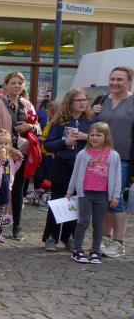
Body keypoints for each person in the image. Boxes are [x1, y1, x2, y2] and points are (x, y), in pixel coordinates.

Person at [0, 71, 40, 240]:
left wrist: (30, 127)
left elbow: (38, 126)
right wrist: (9, 150)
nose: (17, 86)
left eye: (20, 83)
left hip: (23, 154)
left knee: (18, 191)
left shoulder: (27, 104)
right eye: (13, 83)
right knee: (3, 189)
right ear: (6, 85)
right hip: (4, 155)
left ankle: (17, 227)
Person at [41, 89, 94, 252]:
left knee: (76, 201)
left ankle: (68, 237)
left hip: (83, 166)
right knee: (58, 199)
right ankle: (51, 237)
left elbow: (102, 141)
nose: (82, 103)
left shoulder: (91, 121)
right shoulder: (60, 121)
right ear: (70, 102)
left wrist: (87, 137)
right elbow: (48, 145)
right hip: (62, 164)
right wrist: (64, 142)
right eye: (78, 100)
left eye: (84, 100)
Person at [92, 66, 134, 258]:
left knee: (116, 198)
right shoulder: (101, 100)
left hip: (123, 158)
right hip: (99, 157)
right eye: (113, 79)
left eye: (120, 79)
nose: (115, 83)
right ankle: (105, 238)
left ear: (129, 81)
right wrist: (92, 112)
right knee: (103, 199)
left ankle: (119, 242)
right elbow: (92, 126)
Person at [66, 122, 122, 264]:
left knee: (99, 223)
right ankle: (77, 250)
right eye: (92, 135)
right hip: (85, 194)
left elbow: (117, 177)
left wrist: (115, 196)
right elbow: (75, 174)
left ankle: (95, 251)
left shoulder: (113, 155)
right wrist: (69, 192)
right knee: (83, 222)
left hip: (103, 195)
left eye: (98, 135)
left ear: (106, 136)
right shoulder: (82, 154)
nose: (94, 137)